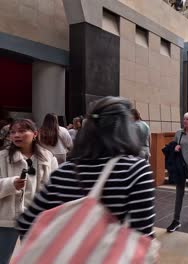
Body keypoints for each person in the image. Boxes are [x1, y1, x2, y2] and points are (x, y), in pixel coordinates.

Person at [17, 97, 156, 239]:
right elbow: (143, 238)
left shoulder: (62, 172)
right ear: (125, 129)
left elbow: (26, 223)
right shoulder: (136, 172)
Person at [0, 119, 58, 264]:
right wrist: (11, 183)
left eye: (22, 131)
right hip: (7, 219)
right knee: (2, 258)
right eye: (13, 132)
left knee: (36, 259)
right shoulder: (2, 157)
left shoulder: (47, 157)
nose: (16, 135)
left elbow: (54, 188)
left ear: (35, 134)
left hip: (36, 218)